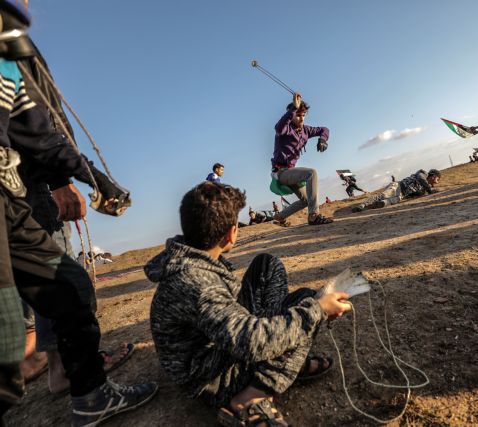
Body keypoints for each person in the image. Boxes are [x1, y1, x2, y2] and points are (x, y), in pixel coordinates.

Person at [0, 3, 157, 425]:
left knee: (70, 286)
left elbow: (38, 132)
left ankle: (90, 394)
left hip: (9, 200)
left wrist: (95, 177)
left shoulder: (12, 50)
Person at [146, 182, 351, 426]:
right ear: (231, 233)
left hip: (217, 340)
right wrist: (317, 311)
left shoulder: (189, 259)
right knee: (306, 312)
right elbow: (253, 342)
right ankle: (247, 399)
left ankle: (283, 361)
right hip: (209, 378)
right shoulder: (197, 283)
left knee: (267, 264)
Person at [18, 33, 135, 394]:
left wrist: (90, 177)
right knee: (63, 276)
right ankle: (68, 371)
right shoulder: (7, 39)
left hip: (29, 177)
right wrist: (60, 179)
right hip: (34, 179)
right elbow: (32, 121)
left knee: (45, 272)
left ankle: (54, 362)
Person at [270, 92, 333, 226]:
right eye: (298, 115)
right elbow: (278, 127)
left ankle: (279, 217)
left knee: (306, 200)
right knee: (312, 173)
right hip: (281, 172)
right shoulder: (285, 130)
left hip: (291, 172)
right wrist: (294, 107)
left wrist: (323, 139)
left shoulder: (305, 130)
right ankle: (313, 215)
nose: (301, 118)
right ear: (292, 115)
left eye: (303, 115)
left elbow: (324, 129)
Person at [352, 169, 441, 212]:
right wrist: (430, 191)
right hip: (398, 186)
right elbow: (421, 179)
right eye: (438, 179)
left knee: (389, 201)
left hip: (402, 195)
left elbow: (414, 195)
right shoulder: (423, 173)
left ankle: (378, 204)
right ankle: (362, 205)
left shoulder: (423, 189)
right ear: (433, 176)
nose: (437, 182)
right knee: (384, 195)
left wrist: (430, 189)